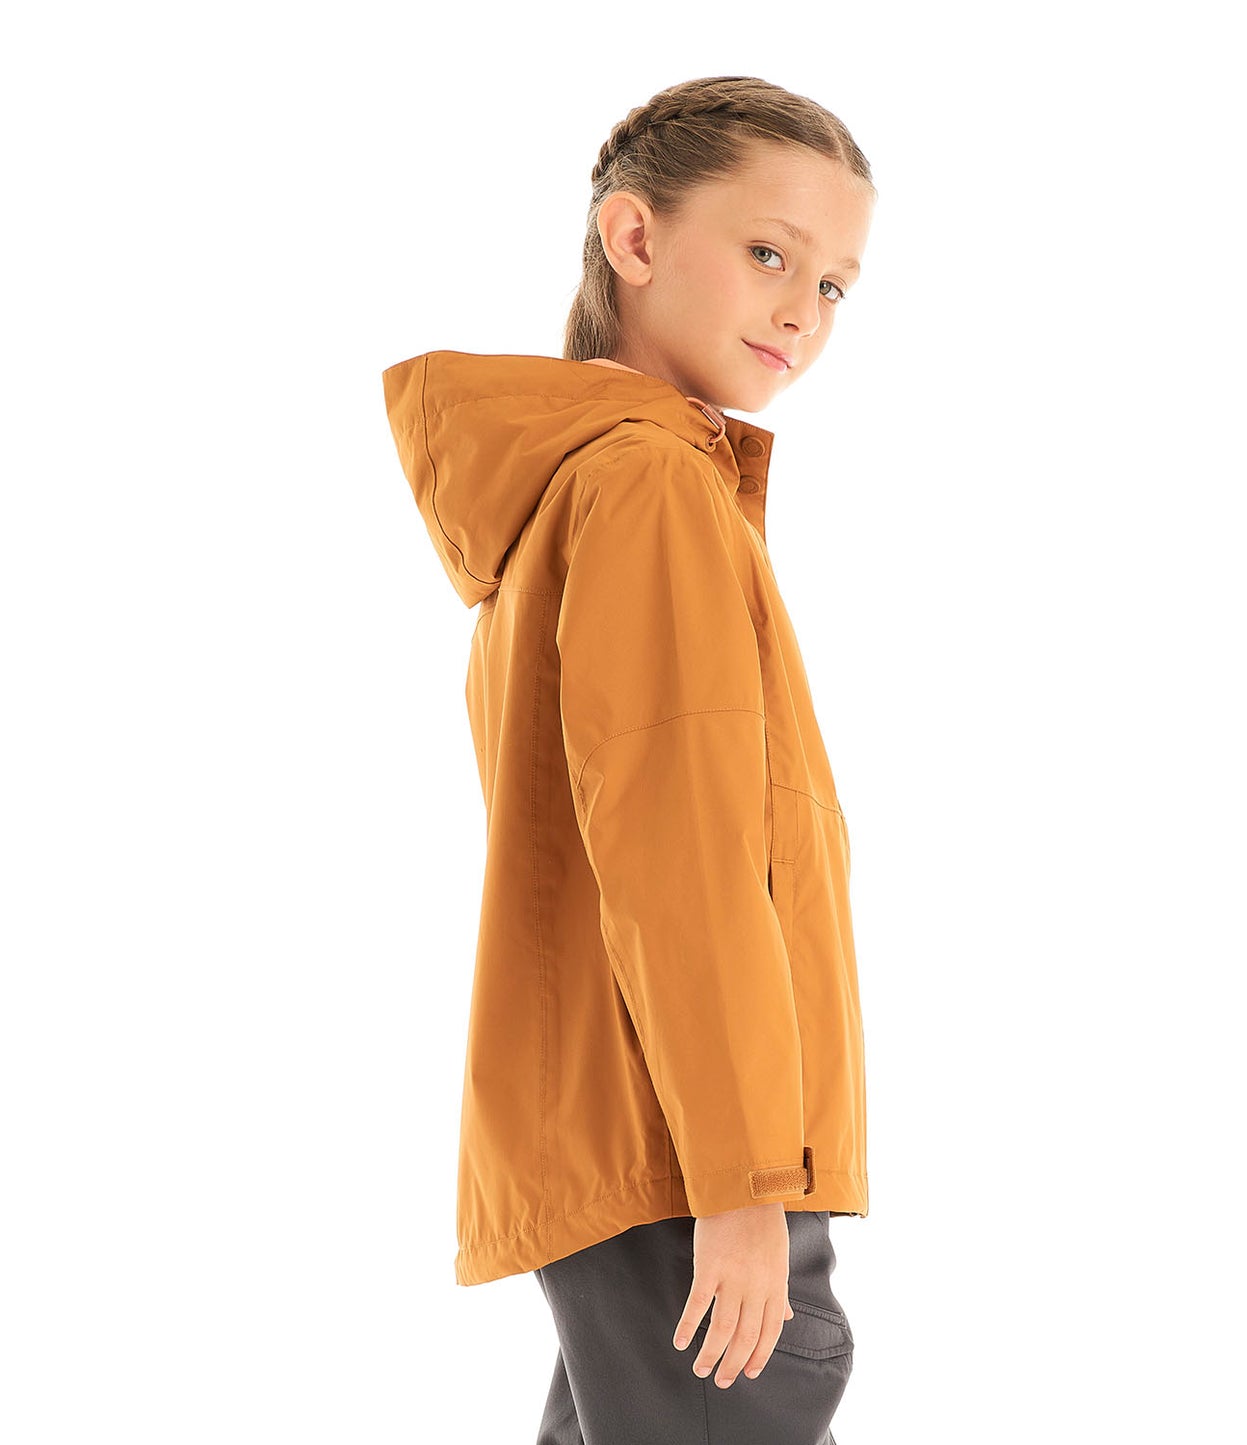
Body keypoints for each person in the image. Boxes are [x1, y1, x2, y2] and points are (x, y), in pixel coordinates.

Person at [382, 74, 876, 1445]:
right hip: (684, 1149)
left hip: (637, 1137)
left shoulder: (577, 493)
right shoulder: (647, 484)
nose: (802, 310)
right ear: (636, 237)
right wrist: (742, 1179)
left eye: (836, 285)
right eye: (769, 251)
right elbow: (681, 860)